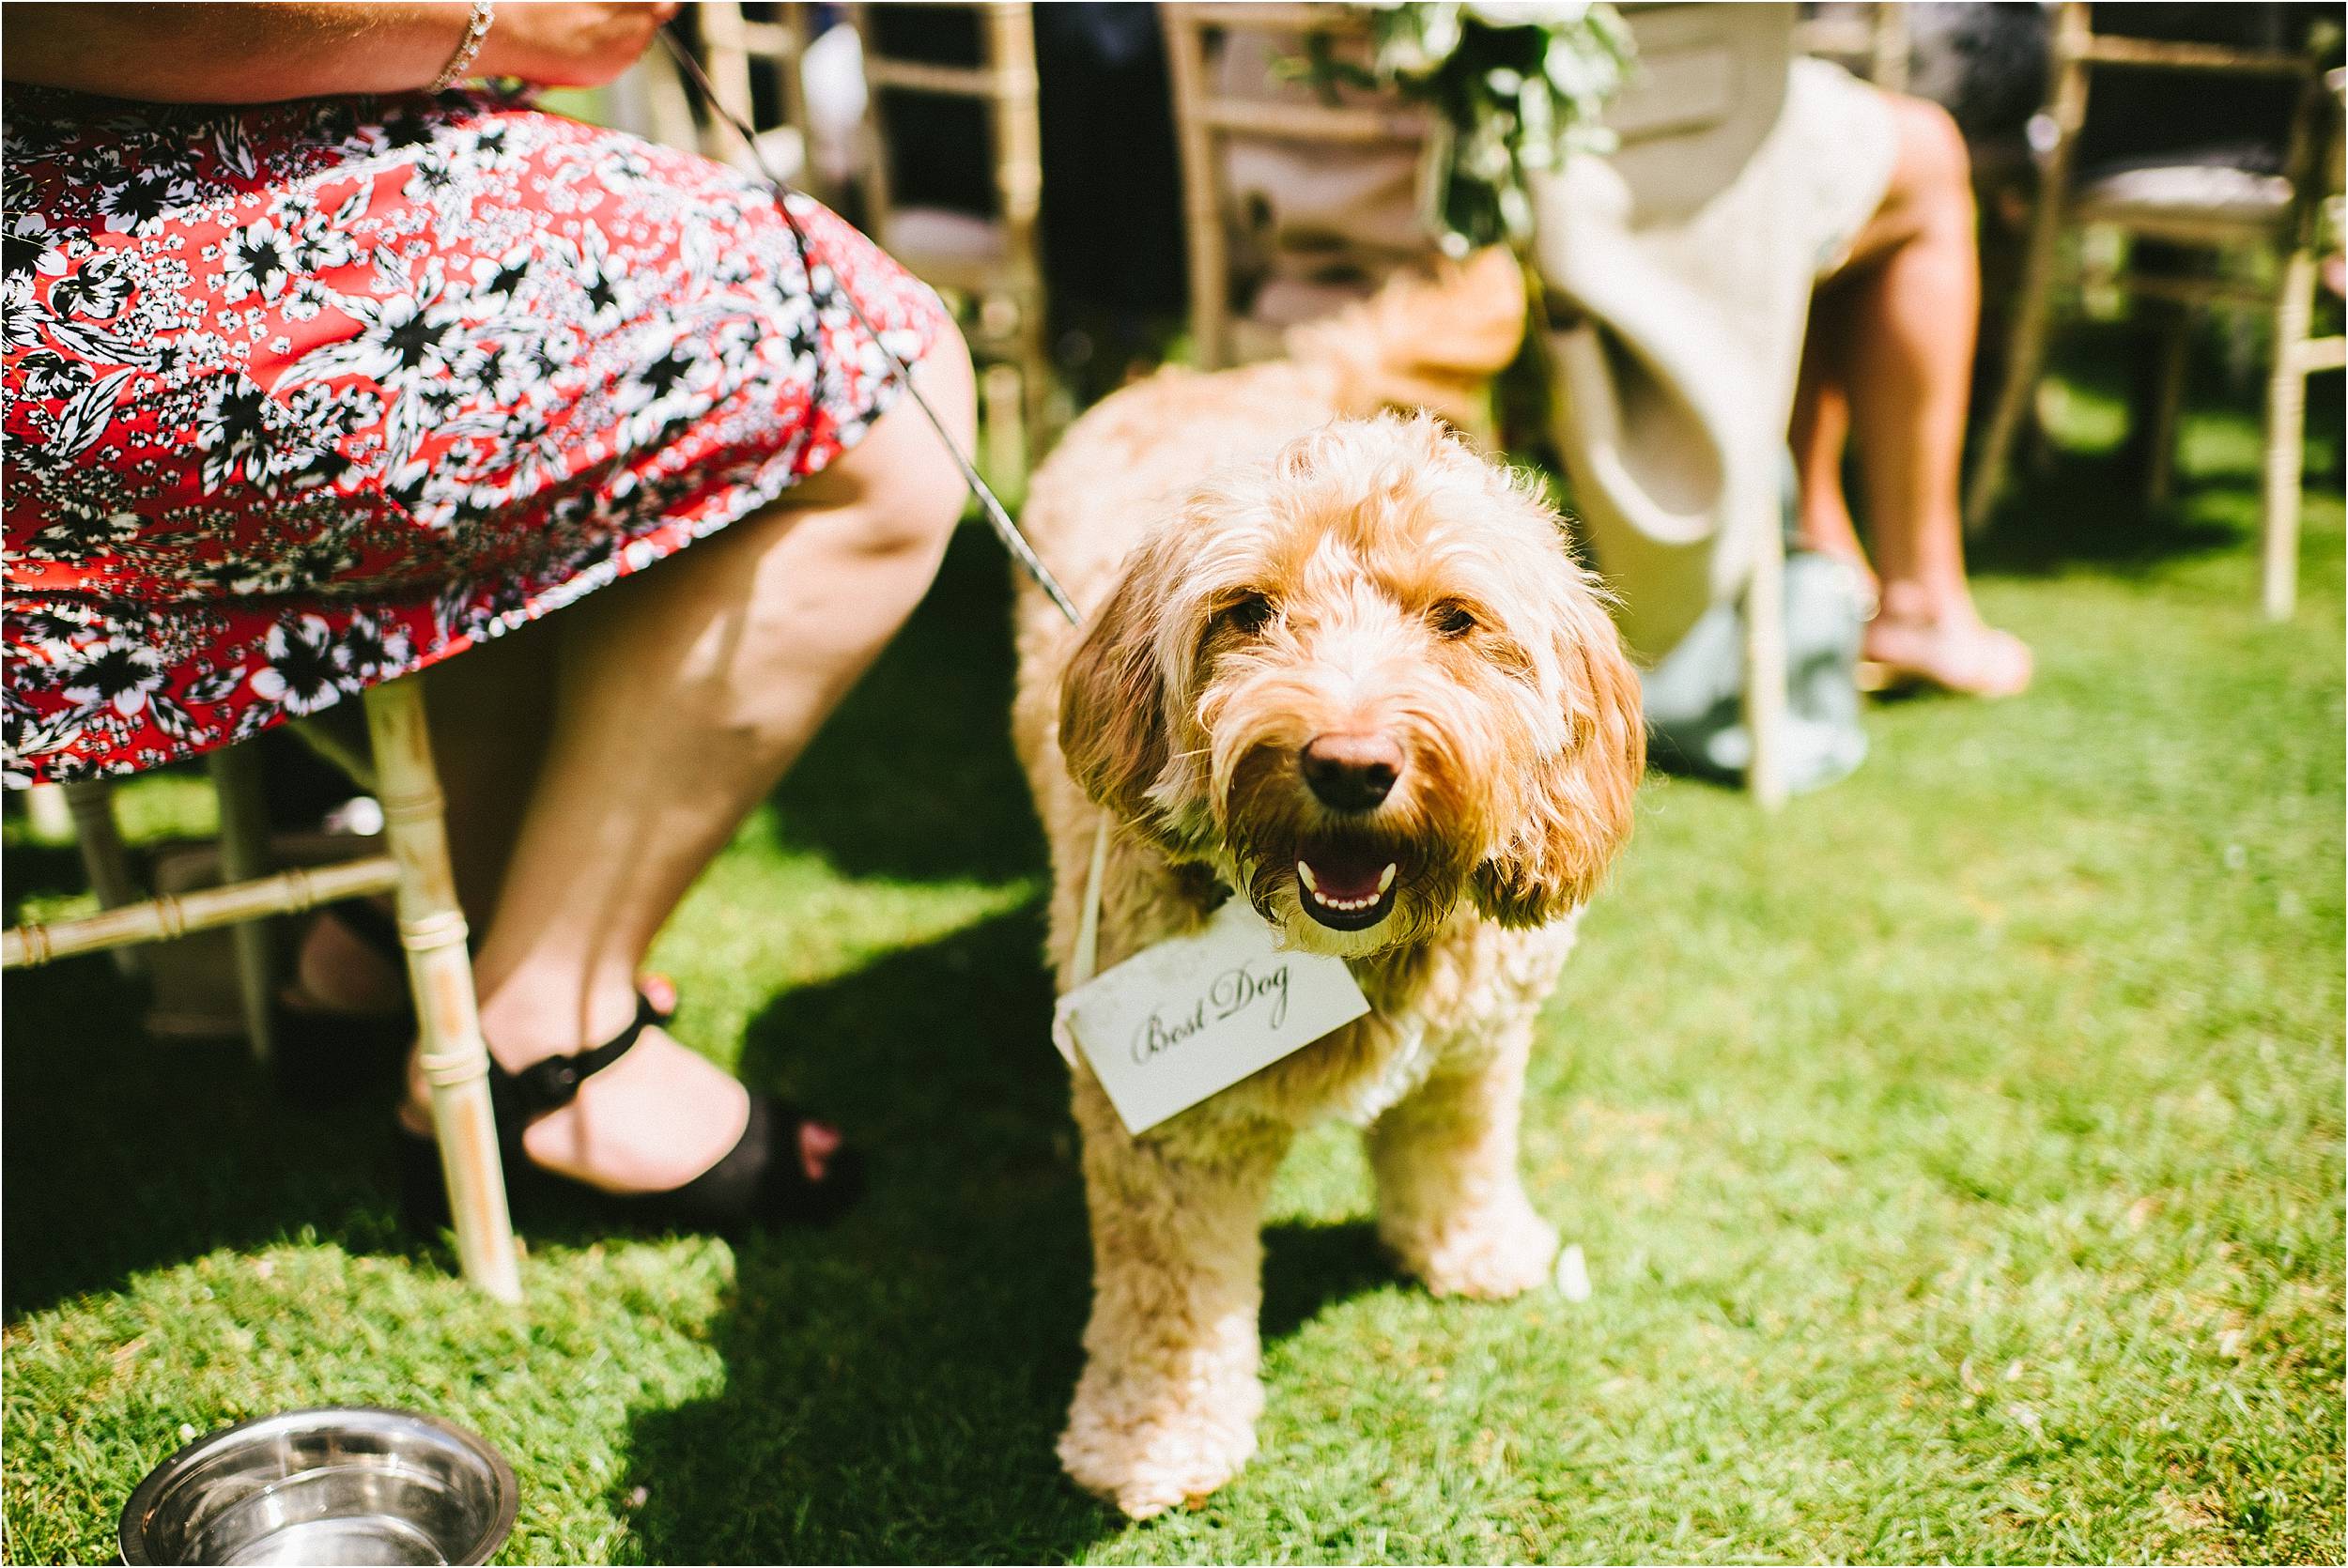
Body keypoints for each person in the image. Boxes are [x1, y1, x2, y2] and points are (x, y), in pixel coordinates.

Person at [3, 3, 977, 1227]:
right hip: (72, 283)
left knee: (545, 328)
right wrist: (495, 20)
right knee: (883, 376)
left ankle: (406, 930)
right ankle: (548, 1040)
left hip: (135, 183)